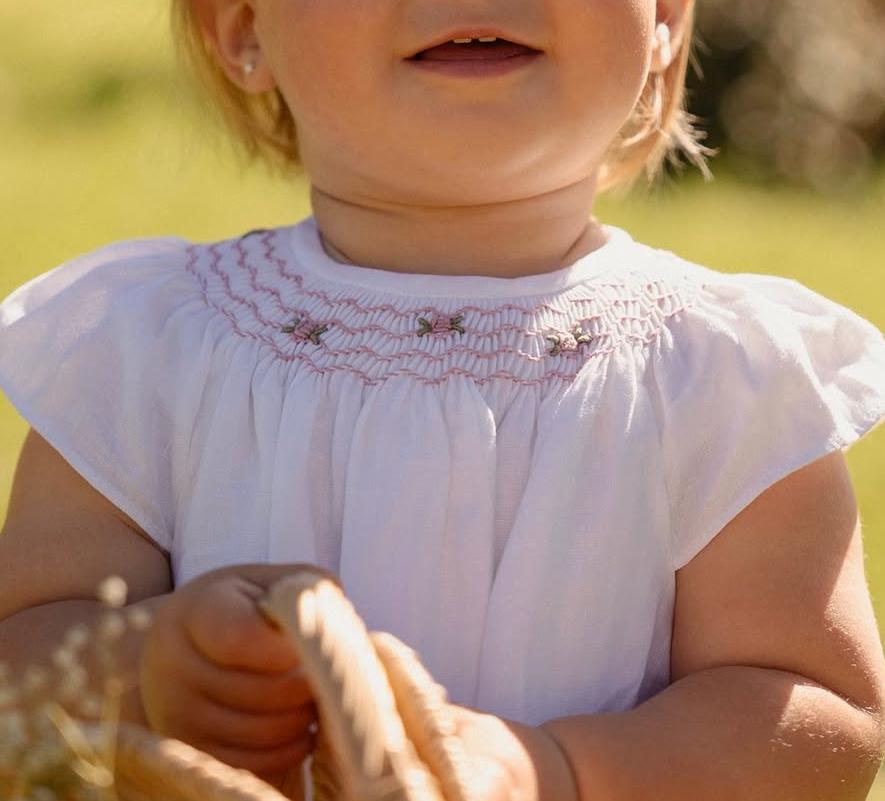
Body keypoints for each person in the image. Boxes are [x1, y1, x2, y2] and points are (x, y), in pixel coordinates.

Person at [1, 0, 884, 799]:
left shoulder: (725, 377)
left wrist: (556, 769)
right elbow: (22, 650)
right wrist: (146, 664)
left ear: (660, 18)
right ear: (244, 29)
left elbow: (822, 720)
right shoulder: (148, 346)